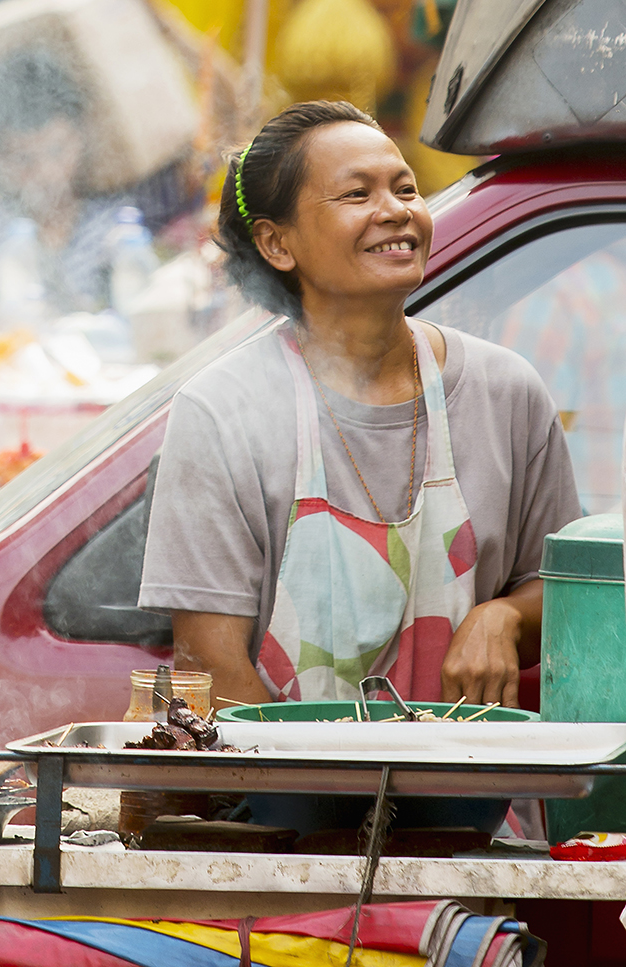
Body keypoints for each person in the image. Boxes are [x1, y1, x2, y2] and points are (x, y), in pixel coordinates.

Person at [139, 100, 579, 707]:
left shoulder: (505, 390)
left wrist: (504, 618)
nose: (396, 211)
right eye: (357, 195)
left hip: (477, 793)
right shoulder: (222, 411)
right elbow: (209, 669)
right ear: (276, 243)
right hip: (289, 795)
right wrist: (331, 798)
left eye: (406, 188)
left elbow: (566, 593)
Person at [0, 51, 129, 315]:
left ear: (82, 135)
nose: (46, 174)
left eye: (57, 151)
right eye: (23, 159)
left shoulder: (114, 227)